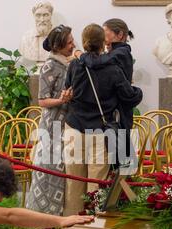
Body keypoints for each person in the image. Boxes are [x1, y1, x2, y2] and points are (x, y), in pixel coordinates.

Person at [63, 24, 143, 216]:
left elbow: (68, 90)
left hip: (74, 127)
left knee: (74, 182)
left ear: (84, 42)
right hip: (100, 130)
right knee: (96, 184)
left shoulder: (75, 65)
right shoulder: (113, 69)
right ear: (103, 43)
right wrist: (138, 90)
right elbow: (129, 96)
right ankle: (93, 227)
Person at [26, 25, 75, 216]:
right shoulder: (49, 65)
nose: (73, 45)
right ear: (59, 45)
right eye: (69, 42)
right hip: (52, 124)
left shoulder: (69, 63)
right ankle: (44, 216)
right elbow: (42, 100)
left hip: (67, 123)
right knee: (49, 167)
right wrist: (62, 100)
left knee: (64, 167)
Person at [76, 18, 136, 169]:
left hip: (119, 112)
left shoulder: (121, 52)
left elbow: (95, 62)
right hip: (115, 110)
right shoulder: (115, 51)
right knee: (115, 158)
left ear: (120, 34)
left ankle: (118, 190)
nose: (102, 37)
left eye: (105, 32)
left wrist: (80, 55)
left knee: (119, 160)